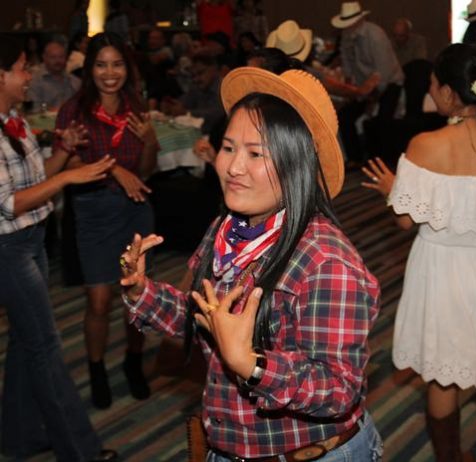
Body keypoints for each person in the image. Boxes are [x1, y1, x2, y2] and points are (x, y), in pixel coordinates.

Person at [120, 66, 382, 461]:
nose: (233, 167)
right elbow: (205, 318)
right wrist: (143, 291)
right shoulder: (228, 229)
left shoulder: (326, 261)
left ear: (296, 163)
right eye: (228, 148)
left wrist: (252, 365)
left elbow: (339, 388)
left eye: (256, 153)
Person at [362, 43, 476, 462]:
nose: (430, 90)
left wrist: (392, 191)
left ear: (449, 93)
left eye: (433, 83)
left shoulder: (425, 144)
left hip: (441, 269)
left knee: (443, 375)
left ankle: (451, 458)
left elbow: (406, 221)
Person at [0, 34, 117, 461]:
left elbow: (35, 181)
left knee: (25, 341)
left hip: (31, 239)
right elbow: (10, 203)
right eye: (22, 68)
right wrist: (68, 177)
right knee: (45, 346)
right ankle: (81, 452)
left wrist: (64, 153)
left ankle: (18, 437)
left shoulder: (13, 118)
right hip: (8, 248)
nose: (28, 75)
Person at [55, 32, 159, 410]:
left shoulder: (135, 107)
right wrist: (114, 169)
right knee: (98, 300)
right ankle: (97, 368)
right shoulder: (74, 110)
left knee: (135, 295)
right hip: (94, 210)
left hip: (135, 208)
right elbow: (67, 162)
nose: (110, 73)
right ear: (89, 69)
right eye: (101, 65)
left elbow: (146, 170)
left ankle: (133, 361)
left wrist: (150, 141)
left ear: (127, 68)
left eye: (117, 64)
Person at [331, 1, 404, 164]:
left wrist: (372, 100)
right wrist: (351, 89)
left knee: (383, 121)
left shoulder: (376, 35)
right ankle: (356, 159)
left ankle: (385, 162)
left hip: (389, 83)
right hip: (364, 86)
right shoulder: (347, 35)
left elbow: (384, 72)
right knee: (344, 116)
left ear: (359, 20)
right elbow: (347, 62)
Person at [27, 40, 81, 112]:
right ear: (44, 57)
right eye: (53, 57)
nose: (58, 61)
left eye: (61, 57)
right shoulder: (35, 81)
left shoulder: (74, 81)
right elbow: (33, 110)